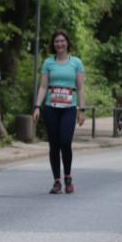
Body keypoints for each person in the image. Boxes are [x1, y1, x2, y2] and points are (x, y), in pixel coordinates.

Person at [32, 29, 86, 194]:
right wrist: (37, 106)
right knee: (54, 145)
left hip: (69, 108)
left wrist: (82, 110)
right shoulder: (48, 63)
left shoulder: (76, 63)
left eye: (62, 41)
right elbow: (43, 87)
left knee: (65, 142)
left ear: (67, 43)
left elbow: (80, 88)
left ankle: (68, 177)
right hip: (51, 108)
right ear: (53, 44)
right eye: (56, 41)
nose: (59, 44)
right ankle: (57, 181)